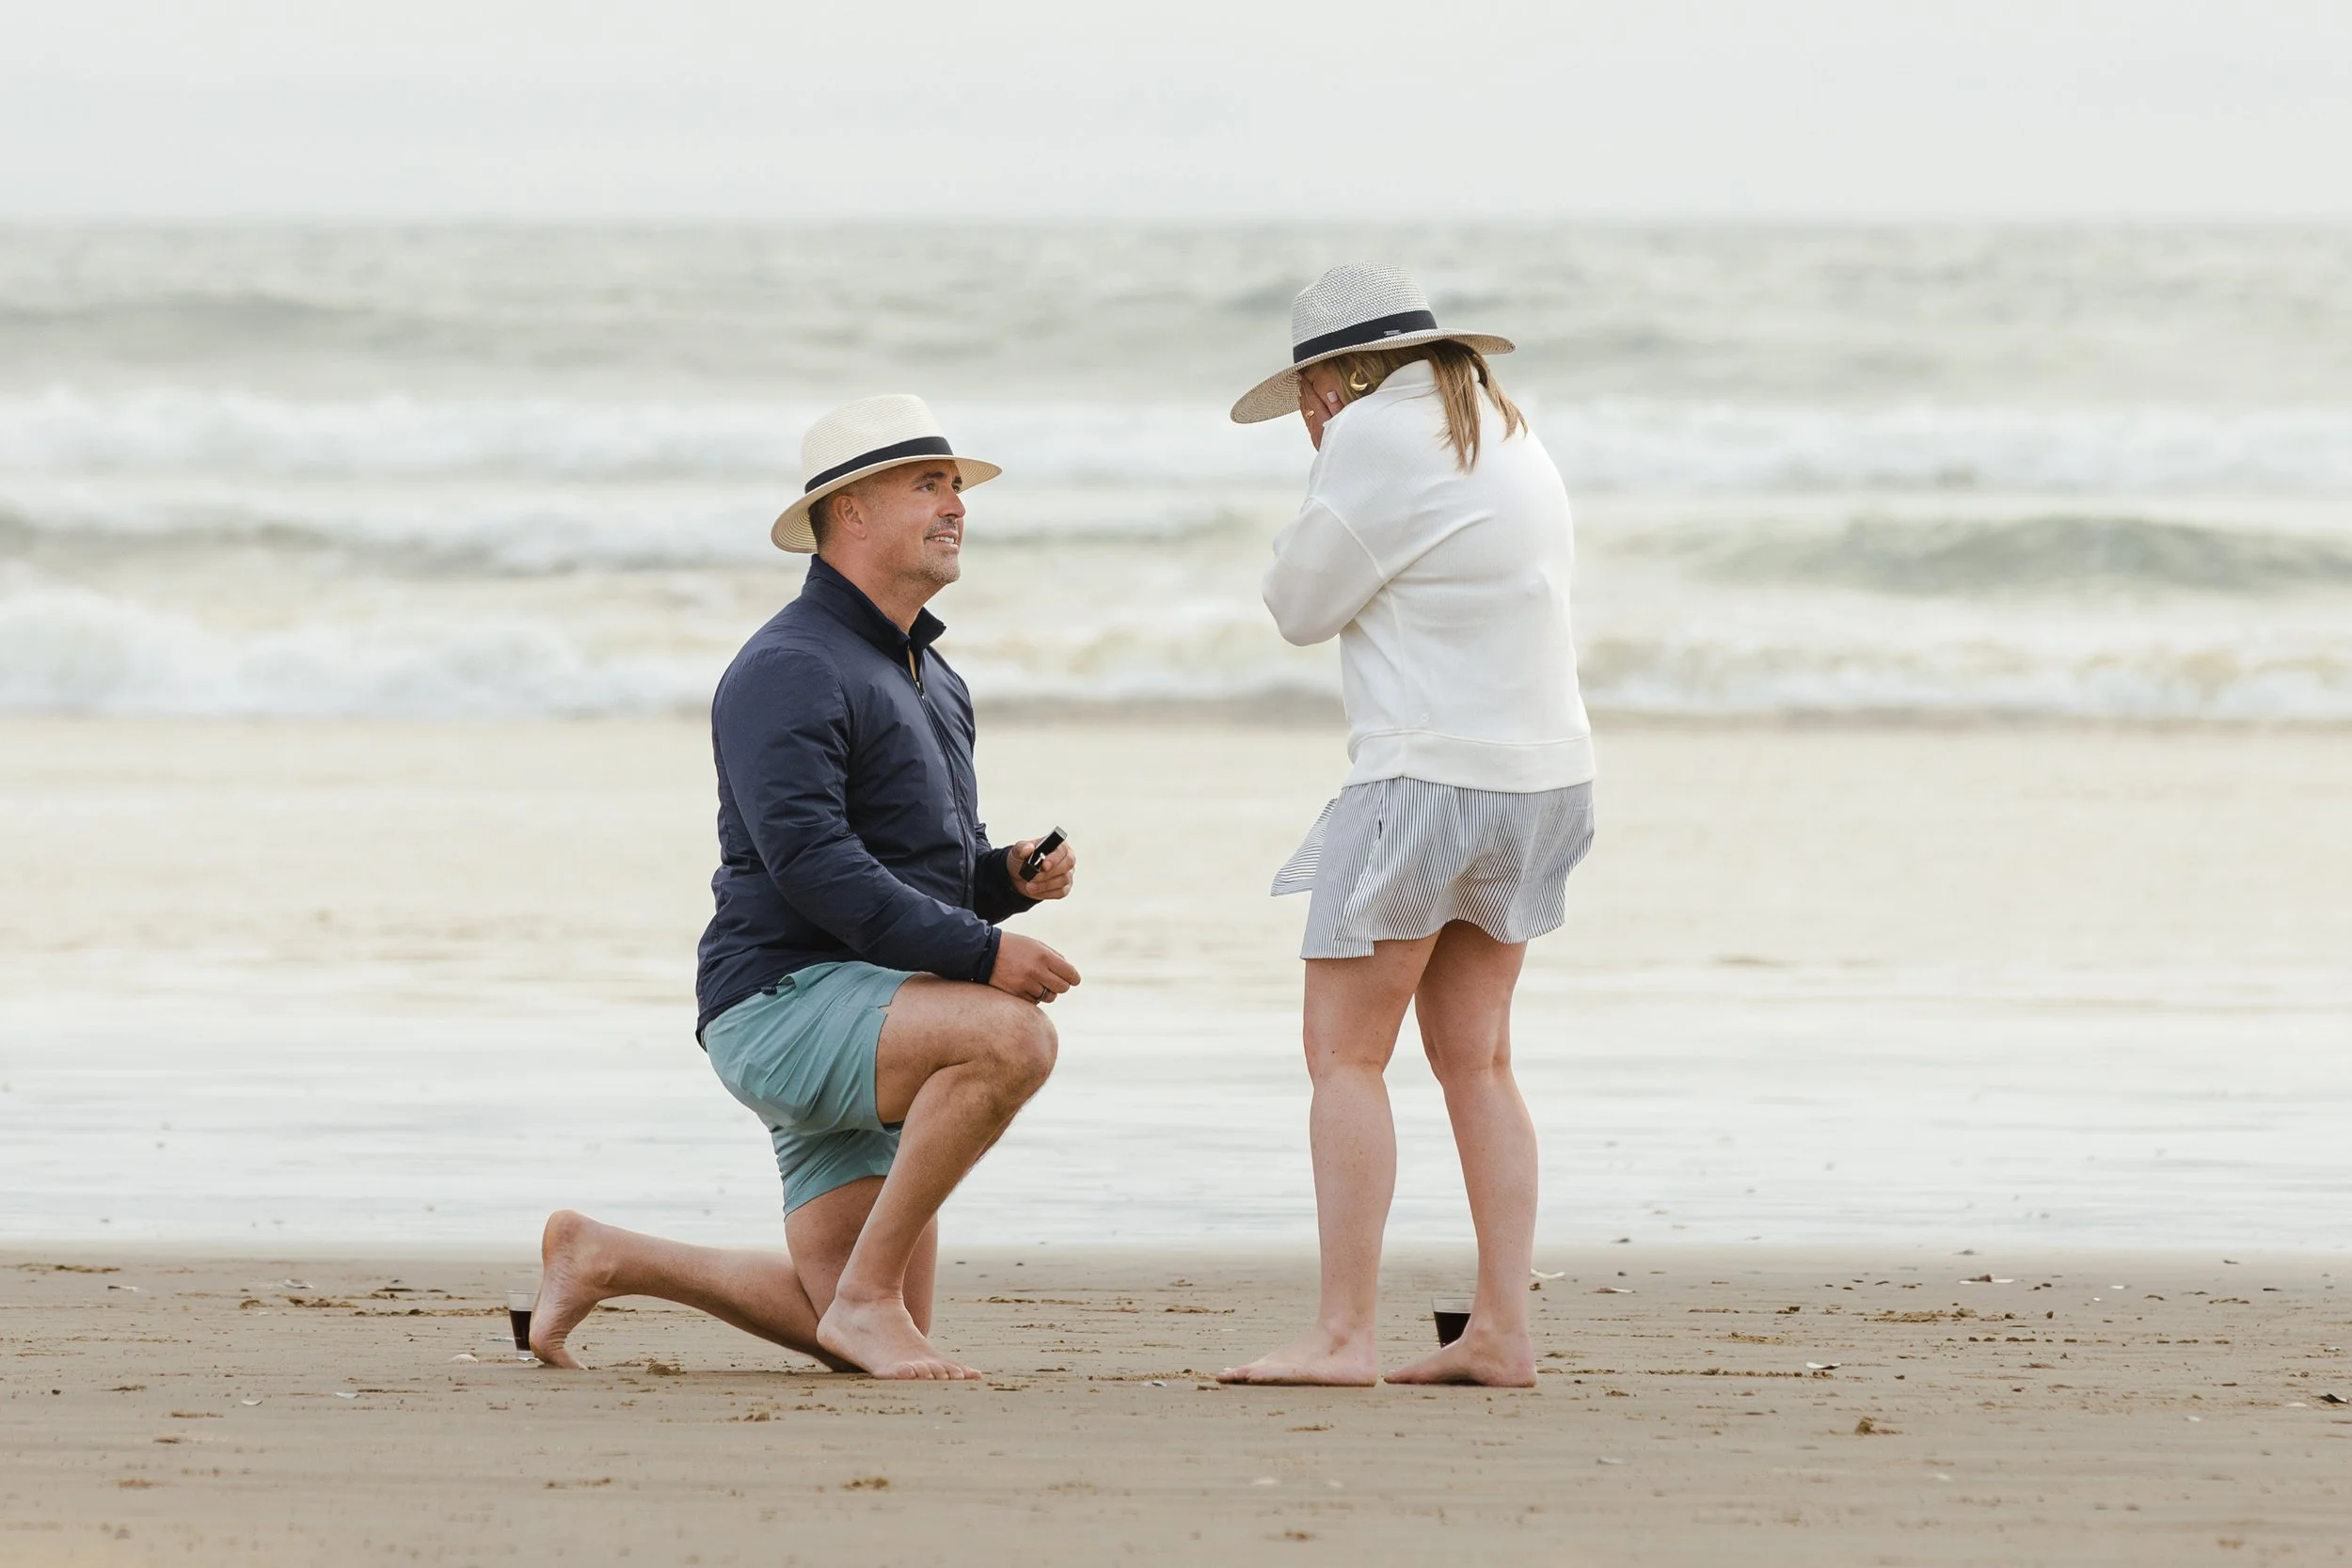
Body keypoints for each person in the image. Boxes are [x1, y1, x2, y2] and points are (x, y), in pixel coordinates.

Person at [530, 394, 1081, 1381]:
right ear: (852, 512)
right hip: (780, 1003)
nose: (955, 504)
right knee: (1011, 1038)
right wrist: (983, 954)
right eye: (929, 484)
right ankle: (867, 1297)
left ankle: (605, 1254)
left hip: (875, 1009)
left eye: (956, 485)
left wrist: (1002, 881)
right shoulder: (787, 666)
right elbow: (811, 864)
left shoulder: (930, 674)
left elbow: (914, 872)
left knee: (840, 1318)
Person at [1218, 265, 1597, 1388]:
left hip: (1424, 777)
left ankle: (1341, 1335)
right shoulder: (1500, 427)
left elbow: (1296, 608)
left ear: (1336, 377)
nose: (1309, 415)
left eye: (1309, 394)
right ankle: (1500, 1329)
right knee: (1477, 1059)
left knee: (1344, 1055)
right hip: (1544, 777)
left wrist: (1325, 466)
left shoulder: (1370, 437)